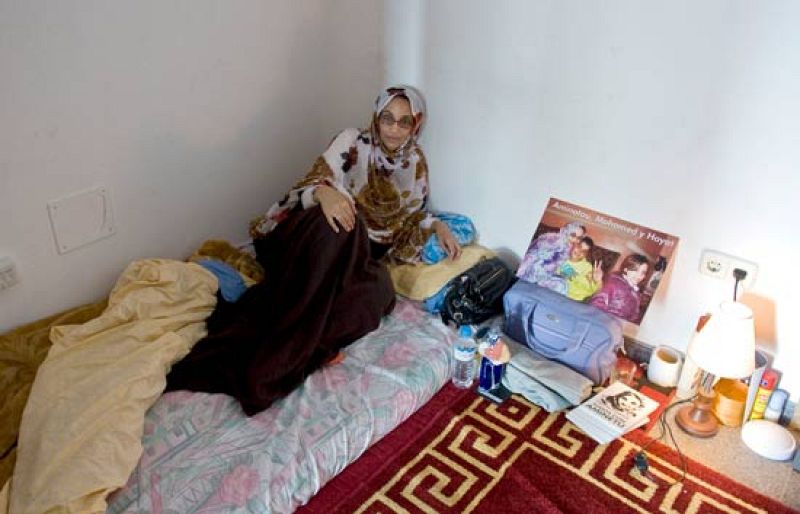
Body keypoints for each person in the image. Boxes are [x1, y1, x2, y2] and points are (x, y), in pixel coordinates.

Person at [165, 85, 460, 415]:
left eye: (404, 122)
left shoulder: (415, 164)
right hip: (308, 239)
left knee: (379, 292)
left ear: (416, 125)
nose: (393, 129)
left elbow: (412, 216)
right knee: (343, 226)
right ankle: (271, 362)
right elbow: (308, 185)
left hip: (353, 257)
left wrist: (438, 226)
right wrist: (324, 194)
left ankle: (305, 350)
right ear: (376, 117)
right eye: (387, 118)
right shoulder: (352, 141)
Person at [516, 221, 586, 294]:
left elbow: (558, 265)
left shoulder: (567, 246)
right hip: (530, 271)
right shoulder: (555, 240)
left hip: (544, 275)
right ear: (566, 232)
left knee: (562, 285)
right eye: (573, 235)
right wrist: (519, 274)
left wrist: (572, 275)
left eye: (579, 238)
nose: (575, 240)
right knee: (561, 286)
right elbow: (531, 256)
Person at [589, 253, 650, 323]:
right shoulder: (613, 283)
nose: (639, 276)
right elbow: (595, 306)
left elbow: (634, 316)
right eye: (636, 270)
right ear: (626, 269)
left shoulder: (636, 292)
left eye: (643, 272)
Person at [558, 236, 603, 302]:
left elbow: (592, 291)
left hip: (572, 300)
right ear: (574, 244)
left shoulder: (587, 267)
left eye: (584, 251)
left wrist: (598, 281)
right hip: (553, 290)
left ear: (586, 254)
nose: (580, 251)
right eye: (579, 247)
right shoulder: (561, 254)